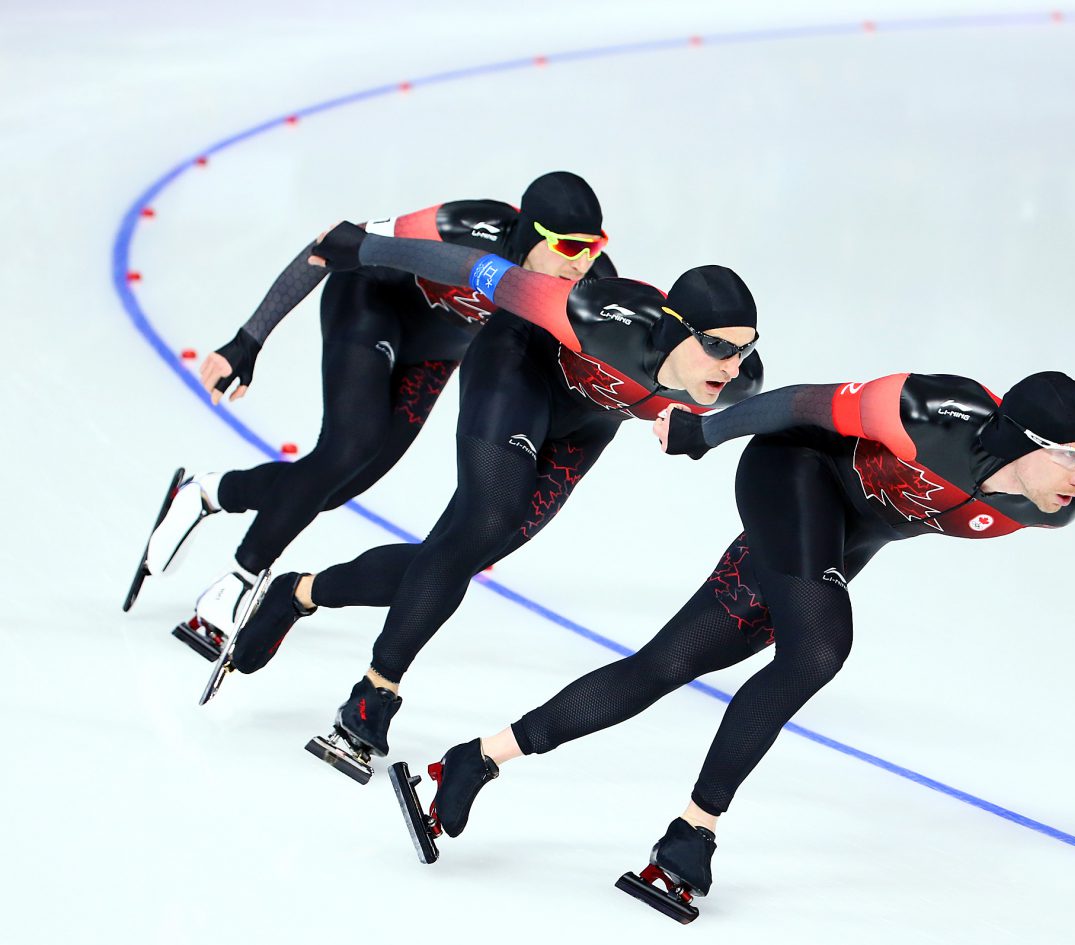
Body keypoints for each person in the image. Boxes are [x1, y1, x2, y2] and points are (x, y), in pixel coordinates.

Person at [389, 370, 1075, 921]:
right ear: (1019, 439)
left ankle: (475, 758)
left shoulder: (1048, 511)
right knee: (820, 646)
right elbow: (802, 404)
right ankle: (692, 832)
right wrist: (705, 431)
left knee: (666, 664)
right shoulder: (926, 408)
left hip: (839, 538)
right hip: (791, 473)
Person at [228, 220, 765, 783]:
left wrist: (707, 433)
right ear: (676, 330)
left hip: (583, 426)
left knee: (457, 555)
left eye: (744, 349)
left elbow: (773, 414)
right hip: (515, 369)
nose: (731, 365)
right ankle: (373, 695)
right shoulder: (592, 312)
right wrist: (364, 247)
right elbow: (476, 271)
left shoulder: (738, 381)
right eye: (717, 347)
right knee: (487, 520)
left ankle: (299, 592)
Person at [123, 172, 615, 662]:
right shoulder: (465, 225)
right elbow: (337, 242)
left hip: (435, 354)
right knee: (349, 447)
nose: (584, 262)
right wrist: (249, 339)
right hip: (369, 305)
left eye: (594, 247)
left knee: (341, 484)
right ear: (531, 233)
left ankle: (209, 492)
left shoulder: (589, 283)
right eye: (571, 248)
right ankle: (238, 582)